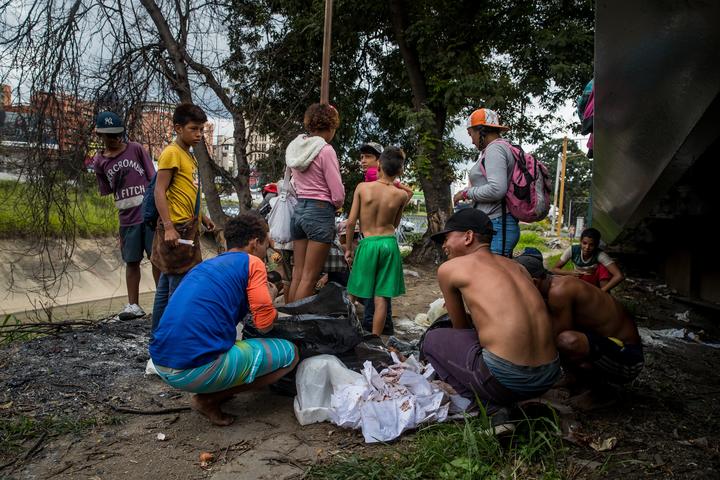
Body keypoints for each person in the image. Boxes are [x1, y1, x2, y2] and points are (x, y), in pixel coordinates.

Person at [149, 214, 298, 426]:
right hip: (191, 370)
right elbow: (264, 325)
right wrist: (271, 298)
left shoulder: (206, 266)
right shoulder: (253, 263)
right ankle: (208, 399)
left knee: (232, 343)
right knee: (290, 355)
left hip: (162, 362)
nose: (267, 251)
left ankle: (215, 387)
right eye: (267, 243)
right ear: (255, 243)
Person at [421, 209, 560, 412]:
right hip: (548, 376)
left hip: (507, 380)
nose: (444, 246)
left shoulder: (450, 268)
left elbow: (460, 329)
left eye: (447, 238)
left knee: (432, 340)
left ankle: (489, 405)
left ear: (468, 236)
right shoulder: (517, 267)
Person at [516, 249, 643, 385]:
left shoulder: (559, 292)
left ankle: (600, 393)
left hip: (628, 358)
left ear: (534, 283)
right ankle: (573, 380)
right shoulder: (551, 284)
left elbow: (554, 337)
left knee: (566, 341)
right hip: (607, 346)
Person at [151, 103, 215, 333]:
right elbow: (159, 191)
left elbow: (186, 193)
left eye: (201, 129)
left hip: (188, 227)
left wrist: (203, 217)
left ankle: (159, 338)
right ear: (178, 128)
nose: (198, 134)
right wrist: (168, 227)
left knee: (168, 284)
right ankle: (168, 338)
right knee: (177, 290)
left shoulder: (188, 156)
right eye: (194, 129)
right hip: (176, 229)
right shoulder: (171, 154)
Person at [92, 111, 159, 320]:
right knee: (132, 261)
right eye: (109, 136)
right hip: (127, 218)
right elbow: (107, 190)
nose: (114, 139)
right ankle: (133, 305)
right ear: (100, 136)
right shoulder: (99, 162)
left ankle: (162, 302)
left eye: (117, 134)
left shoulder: (136, 149)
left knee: (156, 259)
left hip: (147, 215)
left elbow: (153, 179)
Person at [344, 147, 409, 336]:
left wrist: (348, 249)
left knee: (352, 293)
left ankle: (346, 332)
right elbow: (395, 224)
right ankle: (375, 341)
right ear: (399, 170)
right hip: (388, 244)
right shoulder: (401, 195)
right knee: (381, 297)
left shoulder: (363, 188)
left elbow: (350, 223)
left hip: (368, 243)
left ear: (379, 164)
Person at [285, 103, 345, 302]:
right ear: (330, 127)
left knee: (298, 274)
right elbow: (337, 193)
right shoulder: (325, 150)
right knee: (310, 277)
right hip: (319, 212)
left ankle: (289, 320)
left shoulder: (295, 147)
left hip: (299, 211)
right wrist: (337, 204)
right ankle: (298, 324)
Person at [453, 108, 519, 257]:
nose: (471, 141)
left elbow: (497, 189)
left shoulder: (495, 149)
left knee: (491, 278)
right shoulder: (499, 148)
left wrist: (465, 193)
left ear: (480, 131)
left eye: (471, 134)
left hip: (498, 225)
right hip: (496, 224)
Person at [551, 227, 625, 292]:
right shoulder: (572, 250)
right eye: (584, 243)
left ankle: (605, 297)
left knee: (603, 268)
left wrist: (602, 291)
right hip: (578, 279)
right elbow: (554, 269)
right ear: (580, 241)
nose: (587, 247)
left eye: (591, 245)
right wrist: (570, 273)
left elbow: (619, 276)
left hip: (595, 282)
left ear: (597, 245)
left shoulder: (600, 255)